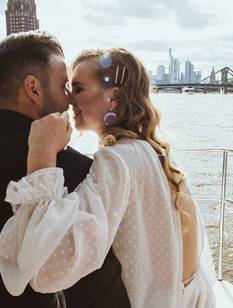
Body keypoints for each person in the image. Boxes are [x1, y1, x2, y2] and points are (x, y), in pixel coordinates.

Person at [0, 47, 216, 308]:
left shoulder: (116, 161)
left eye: (78, 89)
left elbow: (49, 269)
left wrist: (42, 156)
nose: (69, 100)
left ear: (113, 97)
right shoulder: (150, 152)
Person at [0, 33, 131, 308]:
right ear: (34, 89)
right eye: (64, 86)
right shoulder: (73, 169)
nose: (71, 99)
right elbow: (100, 286)